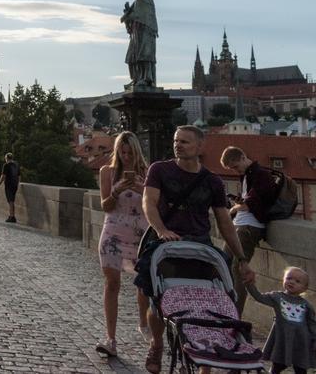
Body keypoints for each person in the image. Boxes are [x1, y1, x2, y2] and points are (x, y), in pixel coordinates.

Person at [135, 125, 256, 374]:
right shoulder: (160, 169)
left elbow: (224, 221)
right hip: (165, 243)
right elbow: (149, 202)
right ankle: (156, 344)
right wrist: (160, 230)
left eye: (185, 142)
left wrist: (242, 259)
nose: (178, 145)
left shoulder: (212, 181)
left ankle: (205, 361)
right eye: (176, 141)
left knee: (209, 302)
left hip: (200, 246)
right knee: (158, 300)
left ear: (200, 147)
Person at [95, 131, 150, 358]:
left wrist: (142, 190)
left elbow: (157, 205)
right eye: (122, 152)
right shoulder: (107, 172)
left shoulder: (148, 173)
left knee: (144, 286)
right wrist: (117, 190)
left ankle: (144, 326)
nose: (126, 157)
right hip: (113, 232)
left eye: (130, 152)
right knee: (112, 283)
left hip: (141, 235)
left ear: (137, 152)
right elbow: (106, 206)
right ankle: (111, 339)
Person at [220, 145, 278, 315]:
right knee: (222, 262)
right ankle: (226, 308)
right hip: (240, 226)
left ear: (243, 157)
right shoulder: (249, 174)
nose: (236, 171)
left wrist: (233, 209)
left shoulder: (261, 174)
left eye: (236, 166)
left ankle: (234, 316)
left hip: (249, 228)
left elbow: (250, 204)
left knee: (239, 270)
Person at [246, 267, 315, 374]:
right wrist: (250, 284)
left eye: (297, 281)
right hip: (282, 340)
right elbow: (259, 297)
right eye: (289, 278)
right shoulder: (277, 297)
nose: (291, 282)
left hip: (301, 341)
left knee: (301, 368)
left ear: (304, 288)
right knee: (277, 365)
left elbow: (312, 324)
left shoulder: (306, 305)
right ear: (283, 280)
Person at [0, 153, 20, 223]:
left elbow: (3, 176)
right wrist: (17, 184)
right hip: (15, 185)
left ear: (7, 158)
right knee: (12, 200)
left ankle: (11, 216)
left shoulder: (6, 165)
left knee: (10, 201)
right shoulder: (16, 165)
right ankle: (12, 215)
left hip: (9, 185)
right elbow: (19, 176)